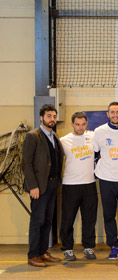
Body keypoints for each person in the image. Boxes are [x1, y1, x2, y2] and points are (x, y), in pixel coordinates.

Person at [92, 102, 118, 260]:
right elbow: (95, 153)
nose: (115, 115)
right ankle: (113, 246)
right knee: (109, 214)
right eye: (112, 112)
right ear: (107, 114)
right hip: (106, 179)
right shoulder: (99, 131)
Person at [22, 104, 63, 267]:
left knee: (47, 221)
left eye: (54, 116)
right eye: (48, 116)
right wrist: (33, 186)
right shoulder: (32, 136)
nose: (52, 119)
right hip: (38, 187)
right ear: (41, 117)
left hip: (52, 185)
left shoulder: (54, 136)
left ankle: (42, 252)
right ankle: (33, 255)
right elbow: (26, 163)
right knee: (37, 221)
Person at [59, 112, 98, 261]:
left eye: (83, 124)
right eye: (77, 124)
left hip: (89, 184)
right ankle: (68, 249)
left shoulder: (92, 137)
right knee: (68, 218)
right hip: (70, 185)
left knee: (89, 218)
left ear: (86, 124)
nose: (80, 127)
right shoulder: (64, 141)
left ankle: (88, 247)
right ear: (72, 124)